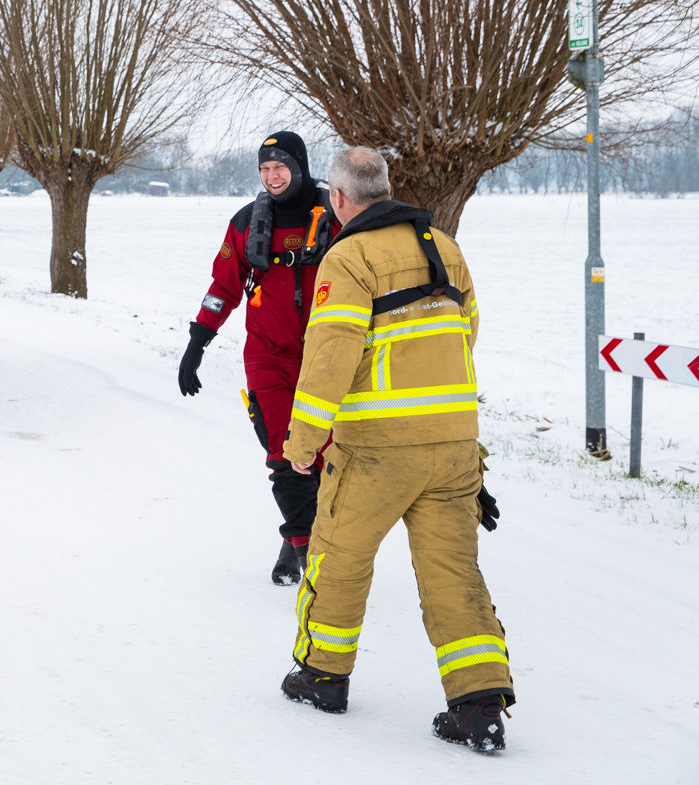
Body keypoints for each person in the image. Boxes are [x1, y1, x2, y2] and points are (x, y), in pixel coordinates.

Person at [277, 148, 513, 754]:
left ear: (337, 198)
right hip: (455, 445)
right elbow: (467, 331)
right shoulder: (446, 248)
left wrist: (301, 444)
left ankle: (322, 676)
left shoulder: (348, 258)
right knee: (453, 570)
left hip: (376, 448)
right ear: (385, 187)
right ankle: (479, 705)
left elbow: (329, 358)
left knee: (338, 557)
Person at [178, 131, 338, 584]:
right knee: (283, 454)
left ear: (300, 166)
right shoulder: (248, 221)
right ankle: (311, 559)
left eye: (280, 167)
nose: (272, 176)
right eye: (265, 169)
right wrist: (197, 342)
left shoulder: (338, 215)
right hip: (268, 355)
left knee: (324, 456)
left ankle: (296, 538)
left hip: (327, 356)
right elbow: (223, 286)